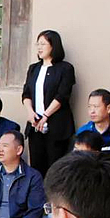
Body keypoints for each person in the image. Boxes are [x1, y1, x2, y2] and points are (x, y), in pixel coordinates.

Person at [22, 29, 76, 177]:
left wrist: (45, 116)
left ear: (54, 46)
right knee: (37, 167)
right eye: (38, 44)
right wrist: (30, 112)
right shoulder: (33, 68)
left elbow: (62, 96)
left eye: (43, 44)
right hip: (35, 125)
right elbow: (26, 93)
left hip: (57, 126)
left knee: (56, 168)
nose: (39, 48)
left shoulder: (65, 68)